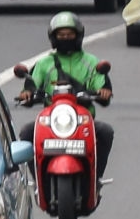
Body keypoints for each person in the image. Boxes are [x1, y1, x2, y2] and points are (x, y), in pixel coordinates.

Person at [15, 9, 114, 177]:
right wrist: (27, 94)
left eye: (70, 34)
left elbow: (101, 84)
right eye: (61, 35)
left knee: (105, 132)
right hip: (51, 121)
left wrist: (103, 92)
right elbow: (31, 86)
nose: (66, 38)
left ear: (78, 36)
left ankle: (95, 177)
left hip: (83, 121)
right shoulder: (44, 63)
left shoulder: (91, 62)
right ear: (53, 37)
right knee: (27, 132)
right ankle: (38, 178)